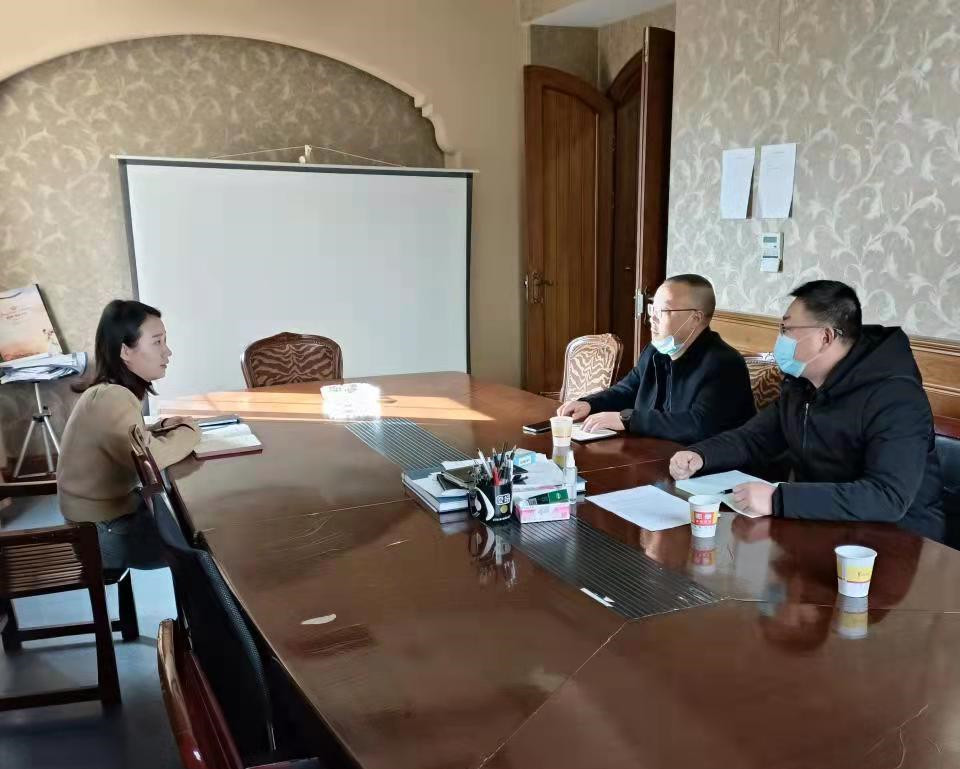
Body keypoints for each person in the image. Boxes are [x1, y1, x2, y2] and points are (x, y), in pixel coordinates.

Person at [670, 280, 944, 540]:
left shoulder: (896, 397)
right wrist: (702, 455)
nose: (780, 338)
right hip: (824, 523)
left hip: (900, 540)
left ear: (825, 337)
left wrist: (778, 499)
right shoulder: (801, 384)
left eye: (786, 329)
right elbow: (755, 438)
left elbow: (887, 496)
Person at [58, 300, 200, 570]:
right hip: (102, 535)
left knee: (188, 515)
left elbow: (132, 438)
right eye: (157, 342)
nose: (167, 351)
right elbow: (150, 459)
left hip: (103, 520)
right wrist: (190, 431)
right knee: (204, 540)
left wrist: (163, 426)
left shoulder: (108, 392)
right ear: (125, 350)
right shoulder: (112, 398)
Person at [557, 274, 755, 444]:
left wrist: (628, 419)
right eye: (653, 309)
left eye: (663, 311)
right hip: (653, 453)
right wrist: (590, 404)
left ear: (695, 318)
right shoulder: (655, 351)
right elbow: (627, 390)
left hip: (706, 465)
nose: (653, 318)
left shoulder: (724, 363)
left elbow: (698, 425)